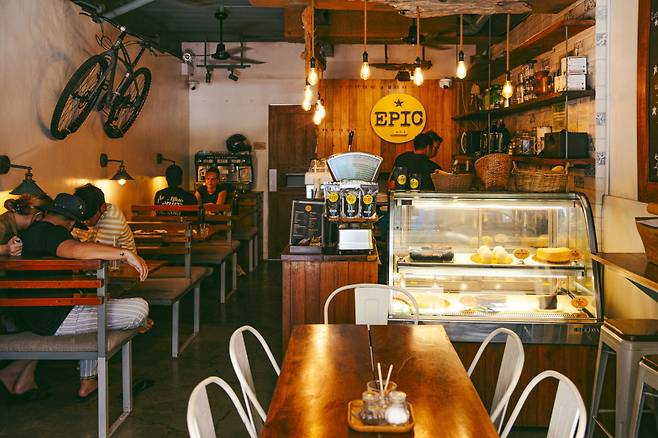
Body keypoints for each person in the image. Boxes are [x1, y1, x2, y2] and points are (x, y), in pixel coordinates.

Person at [12, 193, 151, 399]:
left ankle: (86, 380)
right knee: (139, 308)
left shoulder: (31, 232)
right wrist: (125, 253)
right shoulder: (52, 234)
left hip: (30, 315)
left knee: (97, 306)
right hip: (54, 320)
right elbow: (75, 249)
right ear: (70, 222)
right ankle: (89, 378)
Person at [0, 194, 52, 401]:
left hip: (9, 294)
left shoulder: (11, 224)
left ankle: (22, 380)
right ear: (37, 217)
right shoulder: (3, 225)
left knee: (47, 319)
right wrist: (5, 249)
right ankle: (17, 377)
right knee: (46, 321)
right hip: (6, 302)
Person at [71, 183, 136, 253]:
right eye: (81, 218)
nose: (84, 222)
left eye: (89, 217)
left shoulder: (112, 220)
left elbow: (97, 253)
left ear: (103, 207)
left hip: (123, 259)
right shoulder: (85, 214)